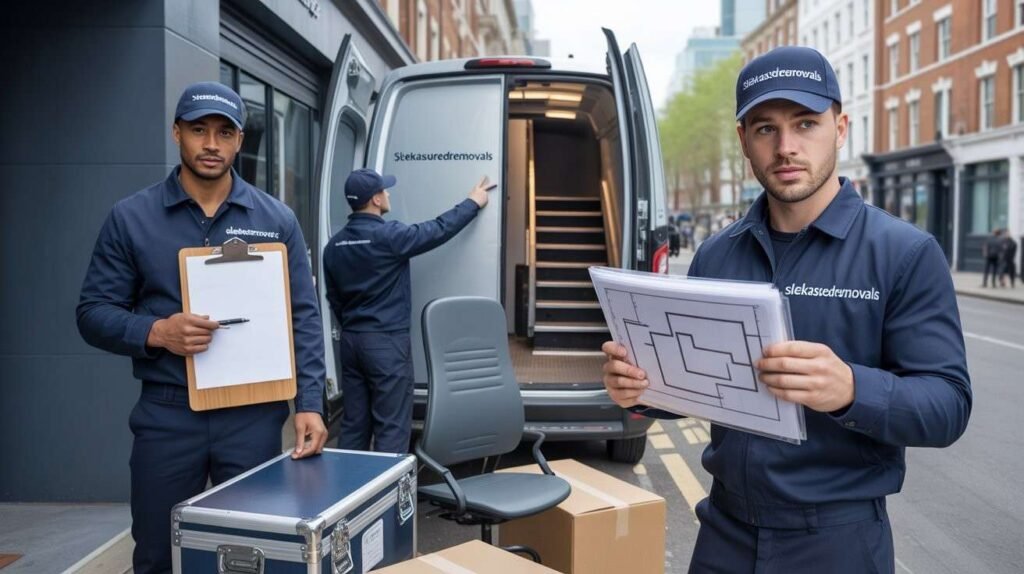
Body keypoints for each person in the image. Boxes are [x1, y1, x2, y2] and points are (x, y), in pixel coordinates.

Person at [601, 46, 971, 573]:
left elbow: (948, 406)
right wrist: (639, 390)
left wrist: (850, 388)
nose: (786, 147)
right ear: (743, 141)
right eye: (765, 128)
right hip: (724, 531)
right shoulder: (718, 253)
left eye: (805, 123)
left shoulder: (904, 253)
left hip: (837, 541)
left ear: (840, 128)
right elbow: (696, 382)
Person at [77, 82, 328, 574]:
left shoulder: (275, 219)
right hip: (168, 415)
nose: (211, 143)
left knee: (253, 551)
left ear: (239, 140)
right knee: (156, 553)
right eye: (198, 130)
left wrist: (311, 404)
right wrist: (156, 332)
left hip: (253, 415)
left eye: (224, 132)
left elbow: (303, 317)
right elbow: (92, 313)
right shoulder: (132, 218)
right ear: (177, 134)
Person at [322, 169, 492, 453]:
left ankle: (351, 492)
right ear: (375, 199)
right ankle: (389, 496)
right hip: (386, 343)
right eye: (384, 190)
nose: (388, 194)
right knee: (391, 425)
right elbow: (438, 229)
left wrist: (354, 326)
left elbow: (333, 297)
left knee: (354, 424)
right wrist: (473, 202)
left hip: (351, 342)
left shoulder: (334, 245)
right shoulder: (390, 236)